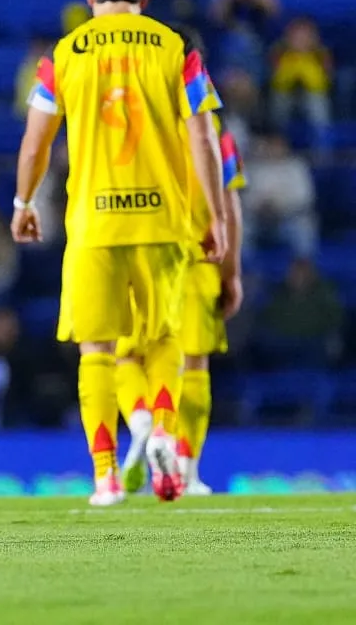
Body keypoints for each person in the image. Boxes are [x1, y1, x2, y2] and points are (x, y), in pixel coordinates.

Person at [12, 0, 226, 506]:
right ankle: (161, 428)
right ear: (145, 0)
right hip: (163, 222)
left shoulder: (63, 55)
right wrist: (218, 219)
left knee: (97, 351)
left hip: (93, 223)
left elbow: (37, 139)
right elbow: (204, 139)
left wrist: (24, 200)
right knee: (165, 342)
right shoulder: (177, 50)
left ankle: (106, 476)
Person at [116, 29, 247, 497]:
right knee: (193, 363)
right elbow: (230, 207)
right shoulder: (216, 135)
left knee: (126, 355)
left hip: (138, 252)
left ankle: (143, 426)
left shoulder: (134, 127)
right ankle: (185, 470)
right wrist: (231, 271)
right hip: (198, 258)